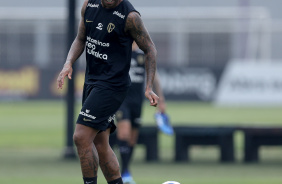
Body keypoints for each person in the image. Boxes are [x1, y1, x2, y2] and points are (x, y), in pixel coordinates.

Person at [57, 0, 159, 184]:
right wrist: (68, 63)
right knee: (100, 142)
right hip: (92, 83)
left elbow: (150, 49)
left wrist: (149, 86)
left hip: (113, 86)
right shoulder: (89, 5)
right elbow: (80, 38)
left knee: (80, 137)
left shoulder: (130, 17)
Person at [114, 41, 166, 184]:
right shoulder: (119, 51)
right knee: (123, 133)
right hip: (121, 100)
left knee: (132, 139)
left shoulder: (143, 54)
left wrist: (161, 100)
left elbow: (155, 76)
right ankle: (123, 173)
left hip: (137, 101)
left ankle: (126, 172)